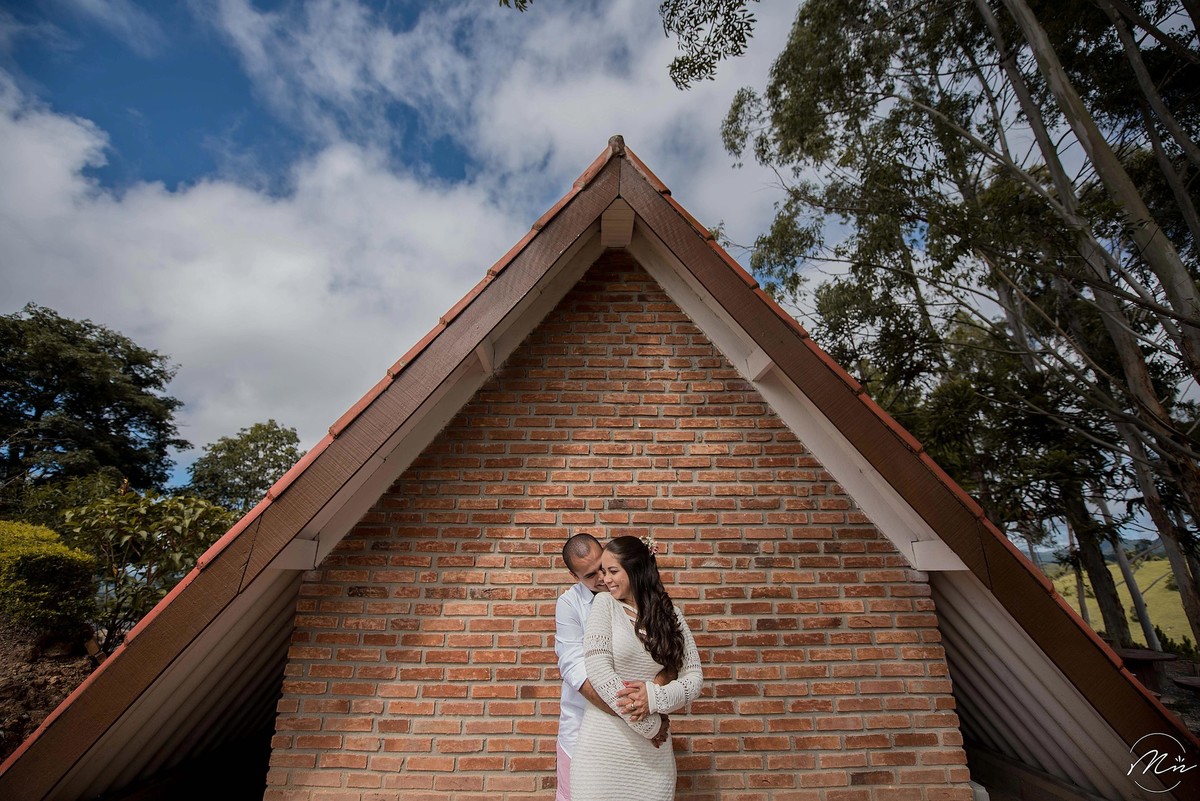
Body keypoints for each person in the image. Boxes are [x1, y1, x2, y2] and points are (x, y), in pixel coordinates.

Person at [569, 536, 703, 801]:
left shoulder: (671, 615)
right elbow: (599, 671)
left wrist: (653, 697)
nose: (605, 580)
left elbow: (695, 678)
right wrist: (651, 725)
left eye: (612, 571)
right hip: (603, 754)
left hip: (654, 761)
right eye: (603, 572)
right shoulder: (604, 605)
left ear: (636, 569)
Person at [554, 533, 613, 801]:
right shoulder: (569, 604)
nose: (602, 578)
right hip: (581, 723)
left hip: (630, 724)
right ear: (573, 576)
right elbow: (573, 668)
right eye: (590, 575)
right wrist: (623, 710)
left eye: (602, 566)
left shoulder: (629, 590)